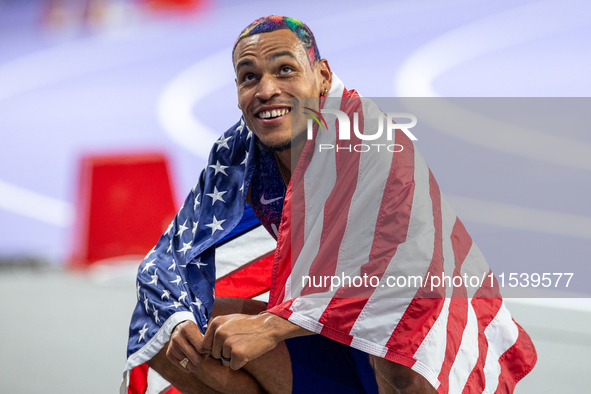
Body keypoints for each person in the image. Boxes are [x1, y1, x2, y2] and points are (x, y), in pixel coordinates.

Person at [122, 16, 536, 394]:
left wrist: (269, 327)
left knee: (395, 345)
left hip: (422, 328)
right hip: (326, 324)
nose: (267, 90)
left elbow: (397, 280)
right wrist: (178, 320)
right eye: (249, 77)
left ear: (321, 76)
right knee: (170, 327)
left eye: (285, 69)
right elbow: (169, 257)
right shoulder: (241, 151)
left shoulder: (374, 144)